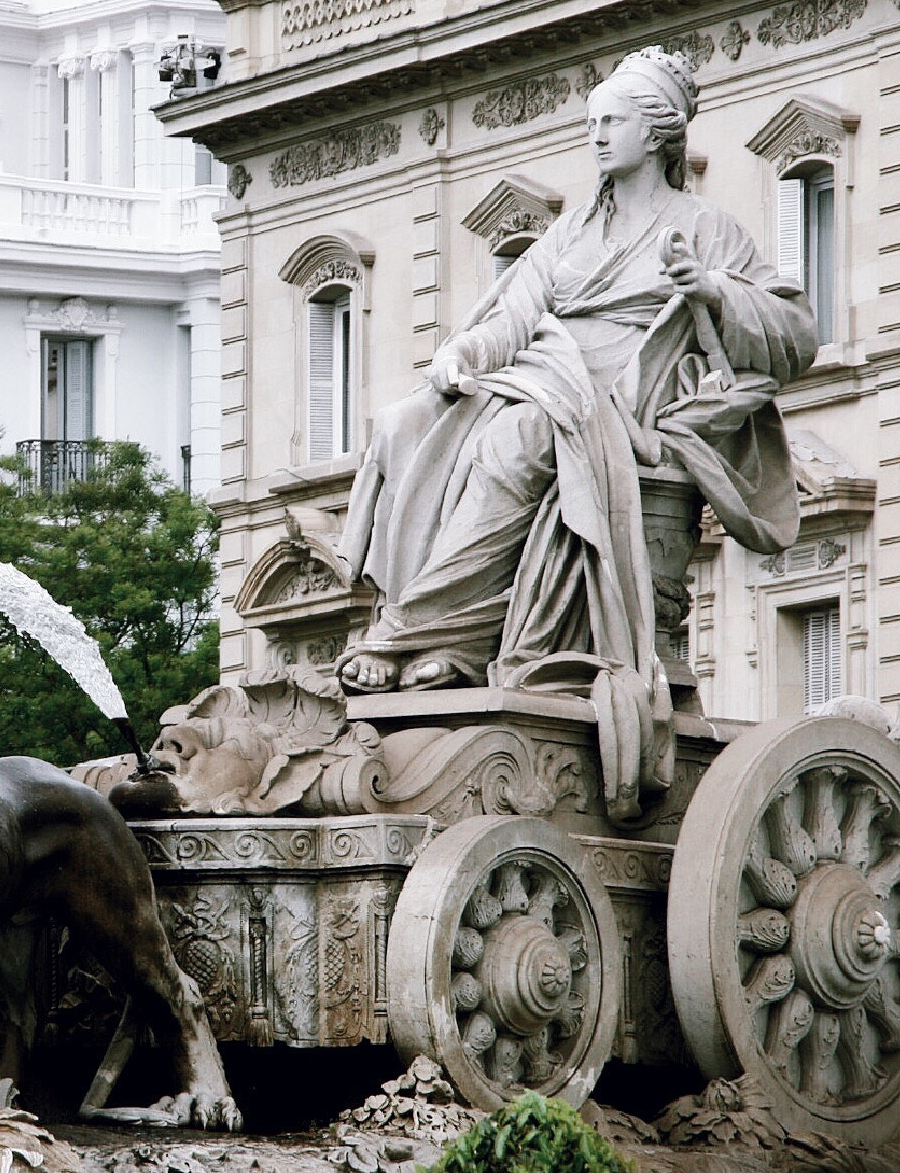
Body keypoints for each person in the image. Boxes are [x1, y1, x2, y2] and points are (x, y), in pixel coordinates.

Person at [336, 47, 816, 819]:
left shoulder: (704, 228)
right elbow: (517, 314)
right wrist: (462, 354)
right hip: (548, 377)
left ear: (655, 131)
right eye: (591, 122)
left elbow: (796, 333)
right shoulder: (571, 233)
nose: (596, 136)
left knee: (518, 438)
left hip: (628, 407)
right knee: (407, 426)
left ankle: (414, 633)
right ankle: (448, 645)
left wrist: (715, 292)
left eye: (612, 122)